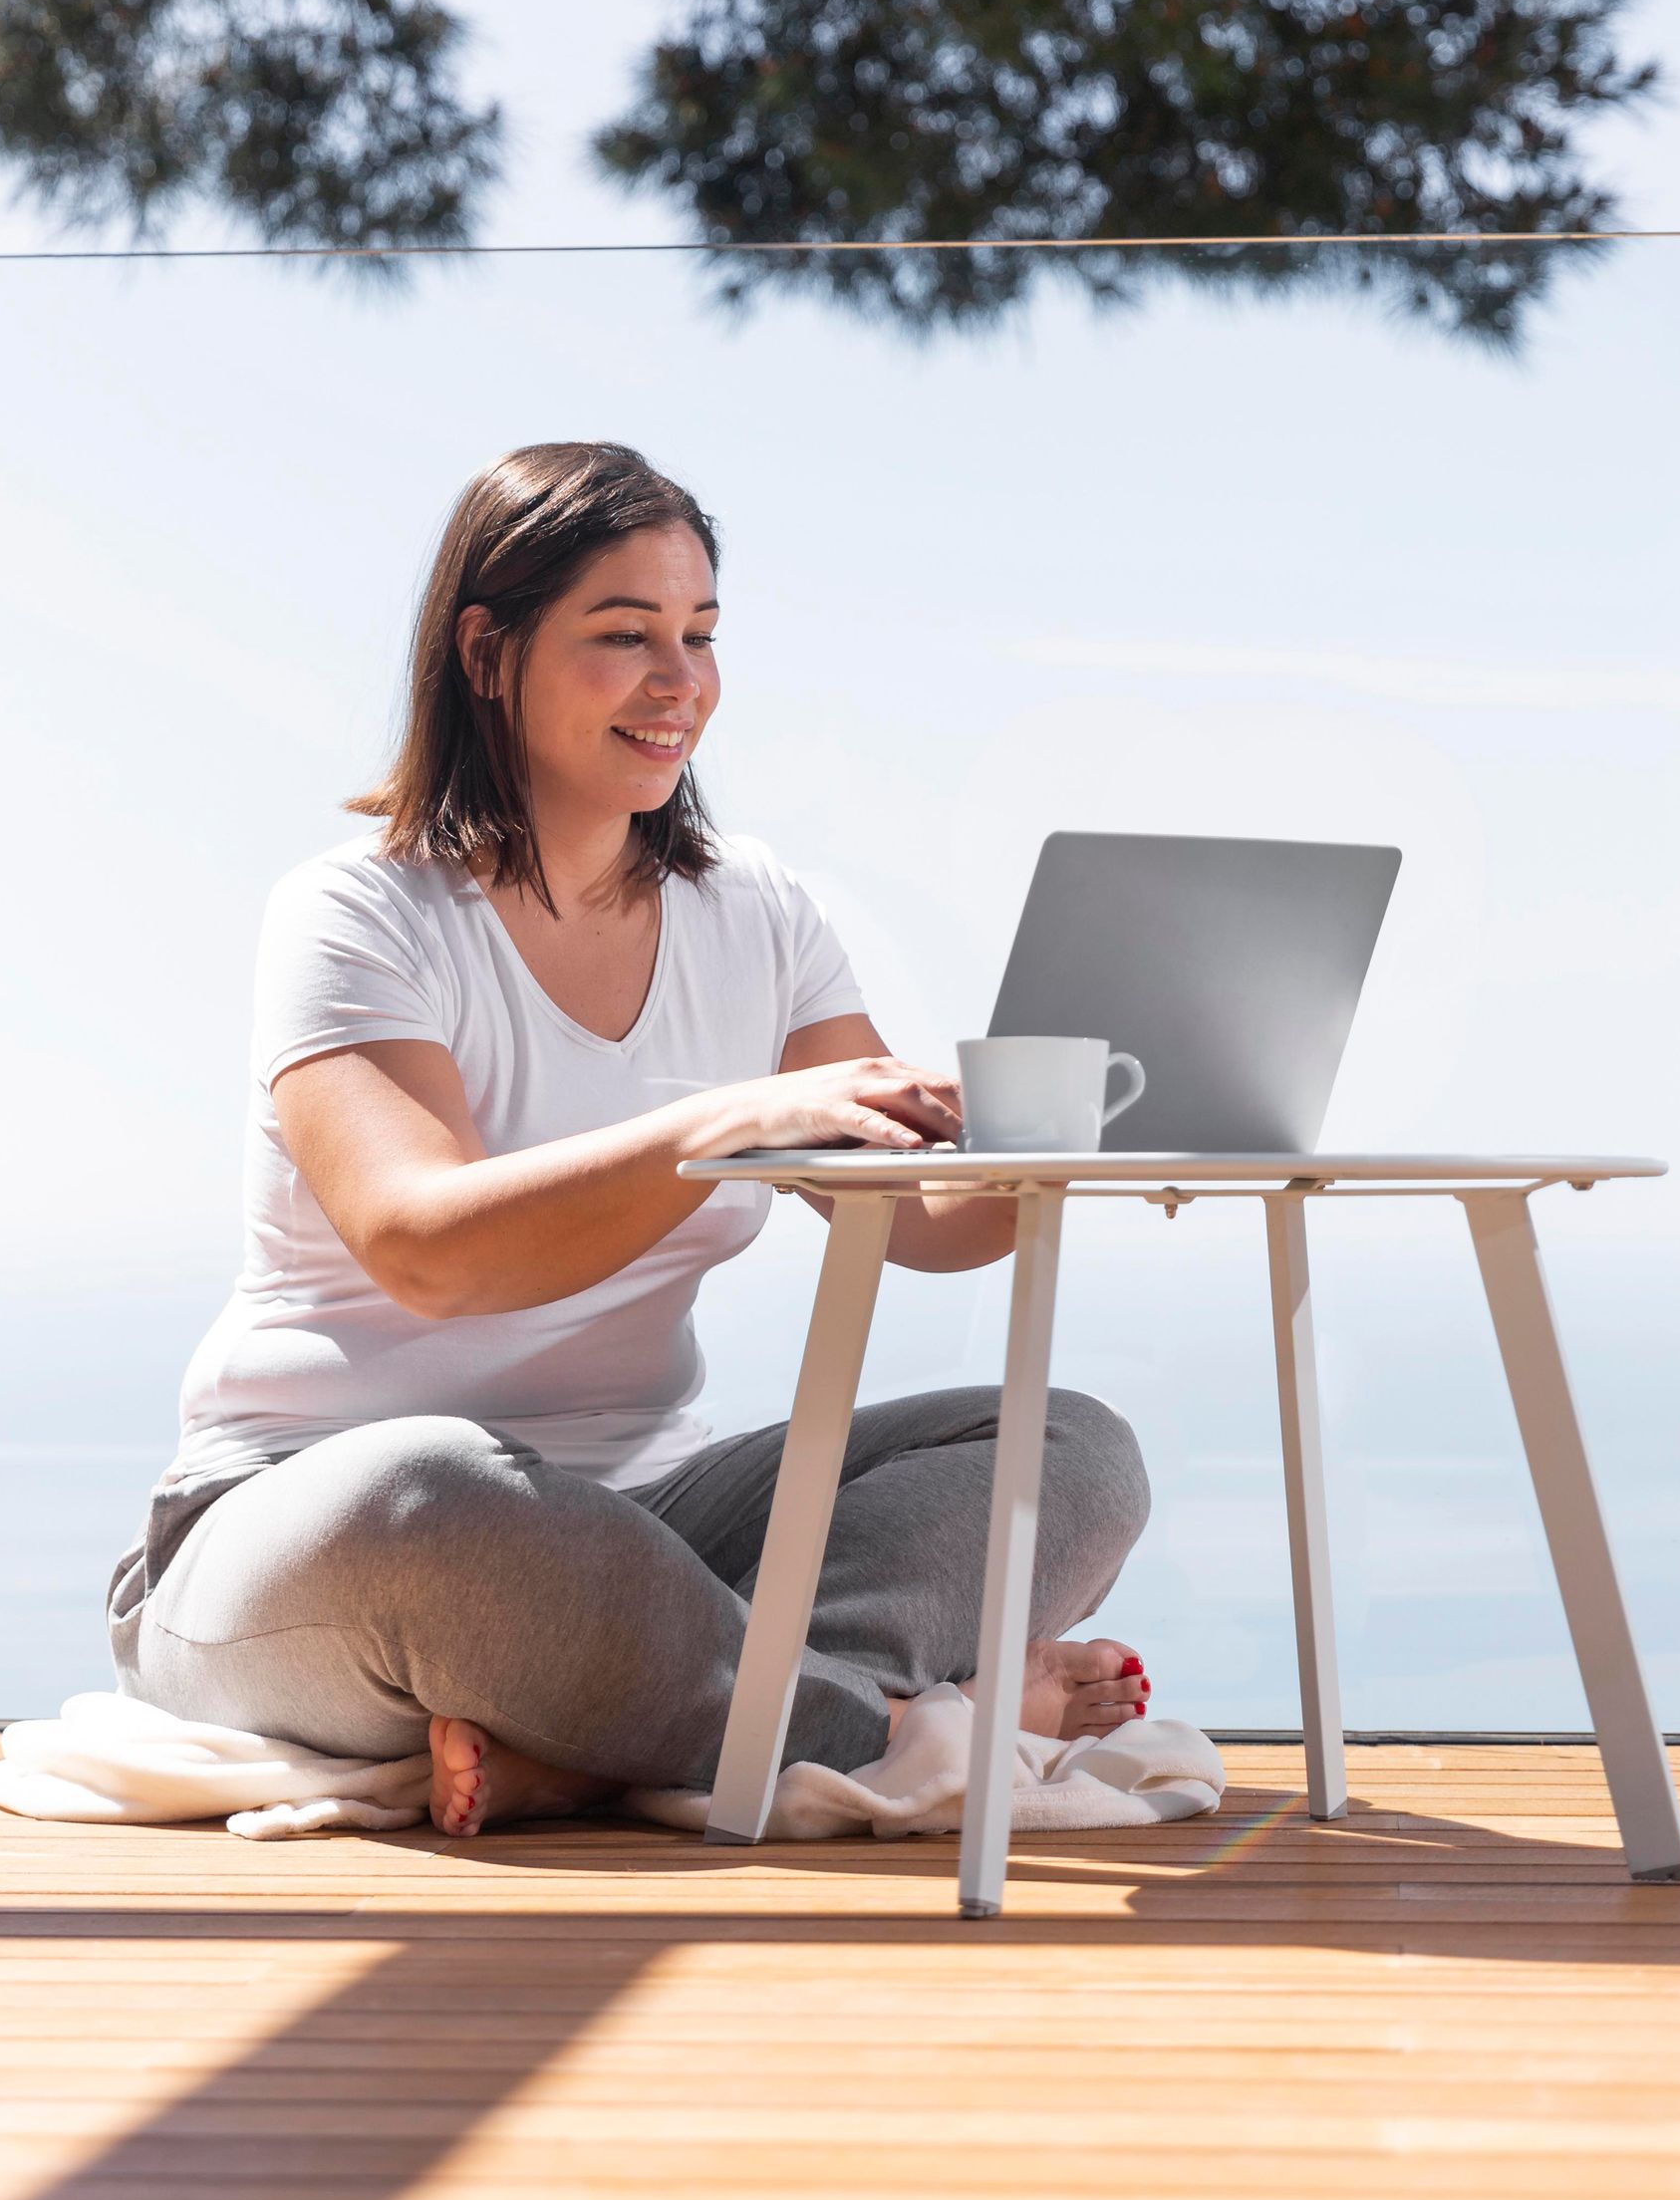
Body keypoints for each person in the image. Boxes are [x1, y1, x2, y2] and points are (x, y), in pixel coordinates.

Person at [109, 442, 1153, 1835]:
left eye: (702, 637)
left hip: (655, 1520)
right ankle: (897, 1719)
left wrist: (1048, 1155)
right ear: (489, 651)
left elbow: (916, 1223)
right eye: (627, 637)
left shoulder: (756, 912)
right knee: (433, 1492)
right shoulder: (358, 915)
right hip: (324, 1528)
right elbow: (428, 1249)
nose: (683, 683)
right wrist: (721, 1119)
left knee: (1071, 1448)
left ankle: (611, 1741)